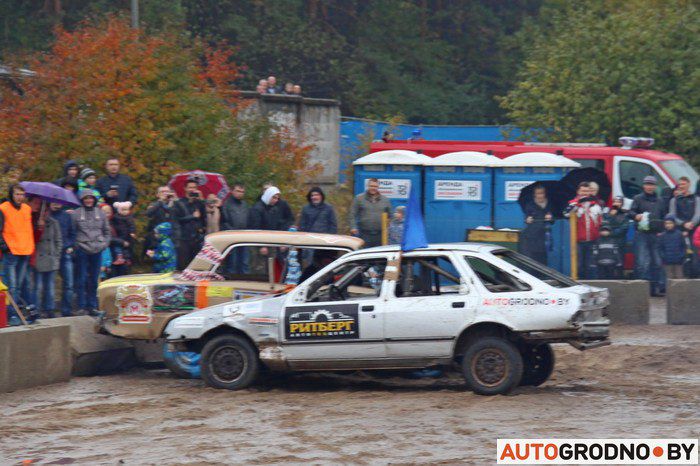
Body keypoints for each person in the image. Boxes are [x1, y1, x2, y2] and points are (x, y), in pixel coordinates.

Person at [72, 189, 110, 315]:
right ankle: (81, 306)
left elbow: (107, 231)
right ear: (82, 200)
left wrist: (104, 244)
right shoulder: (76, 214)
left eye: (91, 198)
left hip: (97, 249)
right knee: (81, 279)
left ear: (94, 200)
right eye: (86, 198)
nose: (89, 200)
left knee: (94, 279)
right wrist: (77, 245)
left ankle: (92, 306)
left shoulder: (101, 213)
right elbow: (72, 231)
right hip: (82, 249)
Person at [0, 185, 35, 315]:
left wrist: (30, 248)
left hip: (25, 251)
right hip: (11, 253)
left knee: (18, 287)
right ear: (11, 195)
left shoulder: (27, 209)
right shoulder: (3, 208)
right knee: (12, 287)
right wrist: (5, 247)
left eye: (22, 194)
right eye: (17, 194)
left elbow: (28, 229)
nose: (20, 197)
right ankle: (11, 316)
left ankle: (14, 314)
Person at [629, 175, 664, 296]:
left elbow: (664, 216)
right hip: (641, 234)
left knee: (657, 263)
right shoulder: (637, 198)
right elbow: (631, 212)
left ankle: (654, 290)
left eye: (652, 184)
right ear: (644, 185)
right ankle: (642, 291)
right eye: (647, 184)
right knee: (642, 263)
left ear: (655, 186)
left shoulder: (660, 200)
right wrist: (635, 216)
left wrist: (662, 229)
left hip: (656, 235)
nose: (649, 187)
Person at [564, 182, 602, 279]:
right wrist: (578, 203)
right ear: (578, 191)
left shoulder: (595, 204)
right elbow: (565, 213)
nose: (585, 193)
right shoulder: (573, 203)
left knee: (591, 265)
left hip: (592, 240)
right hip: (578, 241)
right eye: (583, 191)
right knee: (579, 265)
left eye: (587, 191)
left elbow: (600, 220)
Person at [34, 201, 62, 318]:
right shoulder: (33, 222)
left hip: (51, 259)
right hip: (38, 260)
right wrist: (39, 228)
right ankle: (36, 310)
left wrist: (56, 255)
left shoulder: (54, 222)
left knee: (50, 287)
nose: (45, 213)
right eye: (43, 211)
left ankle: (49, 309)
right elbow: (33, 240)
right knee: (38, 287)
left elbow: (58, 240)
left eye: (46, 211)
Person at [50, 201, 76, 316]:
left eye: (58, 202)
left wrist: (70, 245)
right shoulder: (46, 215)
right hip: (51, 253)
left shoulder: (67, 216)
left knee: (69, 284)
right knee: (49, 284)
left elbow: (73, 233)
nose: (56, 205)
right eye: (53, 202)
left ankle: (66, 310)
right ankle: (49, 310)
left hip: (65, 252)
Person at [173, 180, 206, 270]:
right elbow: (176, 220)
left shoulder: (199, 203)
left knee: (197, 267)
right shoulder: (179, 203)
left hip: (197, 239)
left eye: (194, 187)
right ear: (185, 188)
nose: (192, 190)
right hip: (184, 239)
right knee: (183, 266)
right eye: (190, 187)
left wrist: (202, 200)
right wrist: (192, 216)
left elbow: (205, 218)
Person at [350, 178, 392, 248]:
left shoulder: (385, 200)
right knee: (364, 255)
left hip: (380, 235)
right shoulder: (359, 199)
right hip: (364, 234)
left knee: (379, 256)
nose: (373, 188)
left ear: (378, 187)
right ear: (368, 186)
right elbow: (352, 214)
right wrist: (353, 227)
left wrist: (389, 229)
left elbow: (391, 216)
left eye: (375, 186)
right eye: (371, 186)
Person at [518, 184, 554, 264]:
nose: (540, 195)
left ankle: (542, 275)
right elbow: (526, 219)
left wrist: (550, 217)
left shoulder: (549, 204)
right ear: (535, 194)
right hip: (533, 236)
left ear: (544, 194)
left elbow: (552, 221)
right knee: (533, 257)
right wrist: (528, 219)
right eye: (538, 193)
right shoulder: (530, 205)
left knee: (543, 257)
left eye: (542, 193)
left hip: (544, 235)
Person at [220, 183, 249, 274]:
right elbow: (224, 222)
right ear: (232, 191)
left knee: (244, 263)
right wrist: (233, 233)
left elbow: (248, 220)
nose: (240, 193)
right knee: (232, 264)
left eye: (242, 192)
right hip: (232, 238)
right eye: (238, 191)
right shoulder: (226, 204)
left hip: (244, 238)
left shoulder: (245, 204)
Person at [144, 186, 176, 258]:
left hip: (172, 235)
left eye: (167, 191)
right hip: (157, 237)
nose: (165, 193)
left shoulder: (174, 204)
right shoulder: (155, 204)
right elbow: (148, 213)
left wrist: (175, 200)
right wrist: (160, 201)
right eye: (162, 192)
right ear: (157, 195)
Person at [657, 214, 686, 281]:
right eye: (666, 223)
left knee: (680, 280)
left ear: (674, 224)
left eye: (670, 223)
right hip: (667, 263)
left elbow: (683, 246)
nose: (668, 225)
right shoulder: (662, 235)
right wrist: (663, 257)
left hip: (678, 262)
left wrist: (682, 256)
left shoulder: (679, 234)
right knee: (668, 280)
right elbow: (660, 248)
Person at [110, 201, 136, 275]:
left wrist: (132, 232)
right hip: (119, 236)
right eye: (123, 210)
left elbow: (132, 226)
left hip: (127, 237)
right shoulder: (115, 217)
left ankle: (128, 260)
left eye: (126, 210)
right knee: (119, 248)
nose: (125, 212)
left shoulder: (129, 217)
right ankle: (121, 258)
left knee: (127, 249)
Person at [603, 195, 629, 264]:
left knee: (619, 263)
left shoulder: (625, 214)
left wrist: (610, 233)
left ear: (622, 204)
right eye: (615, 201)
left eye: (619, 202)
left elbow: (624, 229)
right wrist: (611, 216)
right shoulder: (607, 214)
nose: (617, 203)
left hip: (620, 243)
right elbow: (604, 225)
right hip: (608, 243)